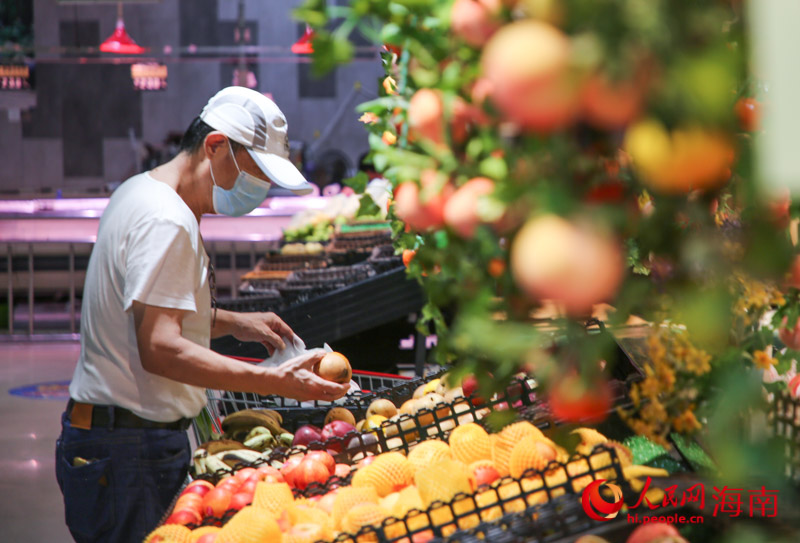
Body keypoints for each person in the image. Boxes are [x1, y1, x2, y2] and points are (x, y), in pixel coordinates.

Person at [55, 86, 350, 543]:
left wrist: (234, 321)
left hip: (115, 441)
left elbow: (143, 309)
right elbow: (160, 348)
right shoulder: (167, 220)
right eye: (254, 173)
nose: (259, 189)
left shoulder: (141, 193)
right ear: (215, 147)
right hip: (130, 451)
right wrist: (276, 381)